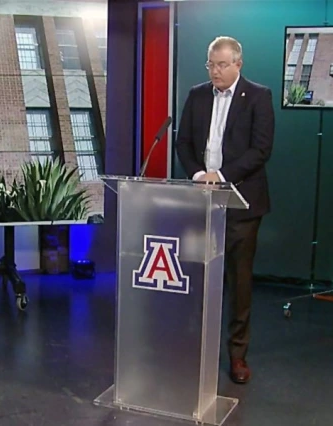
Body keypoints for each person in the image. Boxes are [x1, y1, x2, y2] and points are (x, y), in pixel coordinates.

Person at [175, 36, 275, 384]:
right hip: (202, 202)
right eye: (210, 65)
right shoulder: (197, 94)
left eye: (221, 65)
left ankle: (237, 356)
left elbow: (261, 149)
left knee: (239, 282)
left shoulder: (258, 97)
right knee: (198, 278)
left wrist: (222, 176)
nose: (214, 71)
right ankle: (194, 348)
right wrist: (199, 175)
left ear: (238, 64)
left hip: (241, 205)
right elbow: (184, 143)